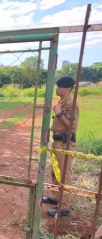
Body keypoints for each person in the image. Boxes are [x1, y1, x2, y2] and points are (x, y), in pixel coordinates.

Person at [42, 76, 79, 217]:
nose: (57, 89)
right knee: (55, 171)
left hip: (65, 143)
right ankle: (55, 198)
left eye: (60, 87)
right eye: (57, 87)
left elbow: (72, 128)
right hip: (57, 142)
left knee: (64, 174)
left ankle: (64, 207)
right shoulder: (62, 102)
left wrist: (58, 113)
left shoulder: (70, 104)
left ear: (68, 88)